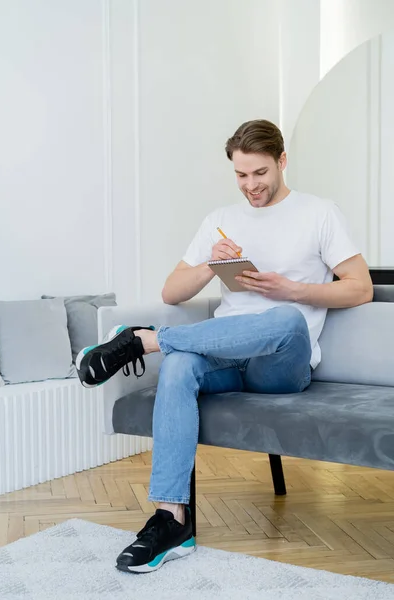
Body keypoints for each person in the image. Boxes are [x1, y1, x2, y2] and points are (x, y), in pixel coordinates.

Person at [76, 119, 373, 573]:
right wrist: (210, 268)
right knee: (178, 367)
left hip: (281, 365)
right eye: (241, 175)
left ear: (282, 162)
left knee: (285, 318)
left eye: (260, 173)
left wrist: (292, 290)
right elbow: (172, 292)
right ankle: (172, 521)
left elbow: (361, 289)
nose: (250, 185)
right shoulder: (220, 221)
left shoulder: (320, 213)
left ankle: (144, 341)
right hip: (224, 355)